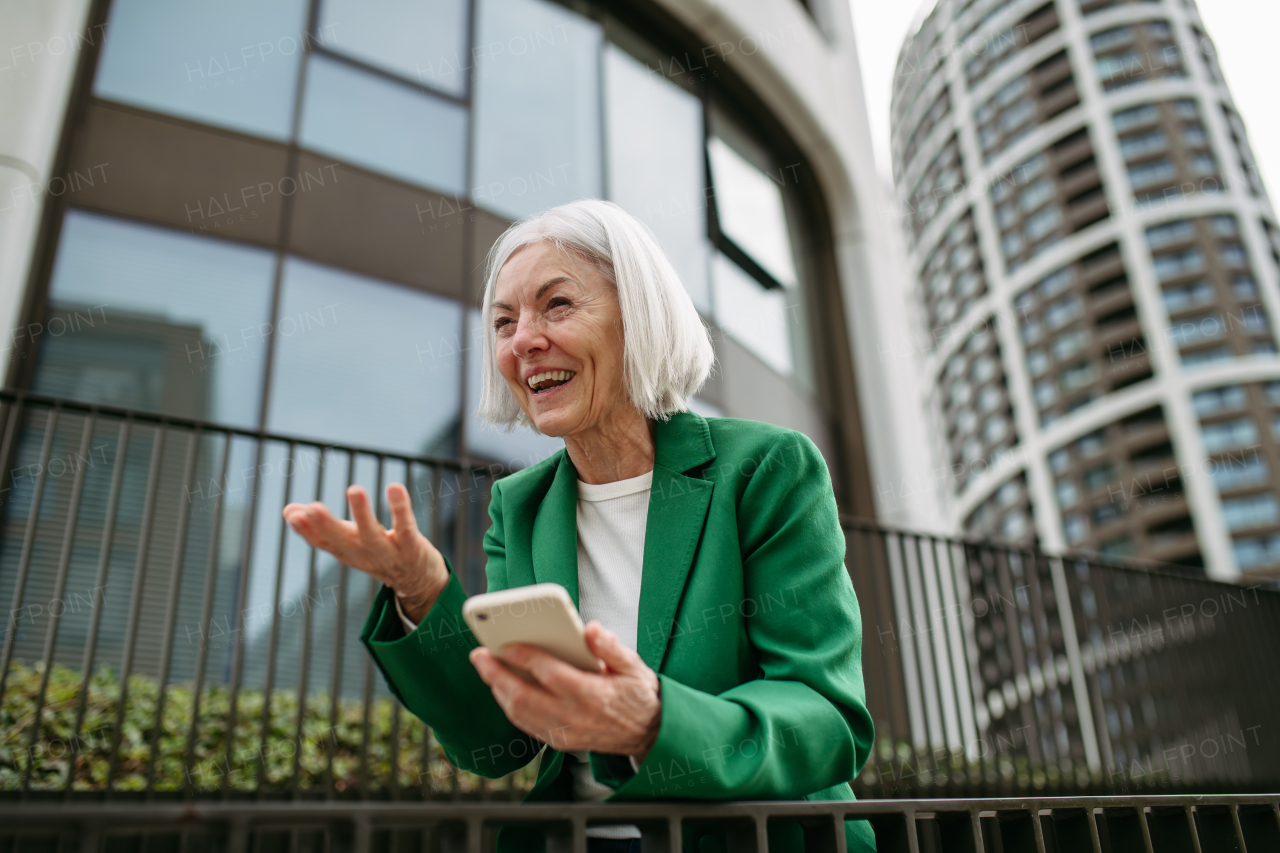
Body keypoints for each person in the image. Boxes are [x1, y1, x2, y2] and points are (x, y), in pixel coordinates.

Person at [282, 199, 877, 853]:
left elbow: (826, 717)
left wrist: (652, 721)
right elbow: (498, 741)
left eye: (557, 305)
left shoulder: (765, 468)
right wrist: (424, 590)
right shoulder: (521, 506)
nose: (522, 341)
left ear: (638, 317)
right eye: (503, 321)